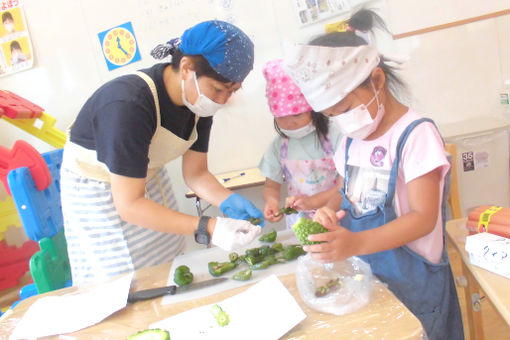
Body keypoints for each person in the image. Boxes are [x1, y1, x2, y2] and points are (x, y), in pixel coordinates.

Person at [283, 9, 463, 340]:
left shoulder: (415, 134)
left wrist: (357, 241)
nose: (342, 120)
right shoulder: (351, 139)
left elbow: (424, 218)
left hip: (416, 285)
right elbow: (346, 187)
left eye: (345, 108)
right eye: (332, 115)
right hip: (369, 277)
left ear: (377, 80)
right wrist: (328, 211)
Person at [60, 20, 264, 286]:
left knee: (167, 265)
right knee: (124, 282)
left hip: (146, 181)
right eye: (219, 89)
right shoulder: (128, 105)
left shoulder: (199, 104)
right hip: (100, 196)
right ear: (187, 68)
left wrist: (227, 200)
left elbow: (196, 173)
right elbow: (129, 205)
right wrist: (209, 227)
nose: (224, 100)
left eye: (232, 91)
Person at [259, 59, 341, 228]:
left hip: (336, 215)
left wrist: (312, 202)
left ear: (314, 109)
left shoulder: (335, 135)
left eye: (297, 115)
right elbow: (271, 186)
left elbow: (346, 184)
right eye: (281, 117)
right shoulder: (278, 146)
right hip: (299, 222)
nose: (289, 123)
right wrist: (272, 202)